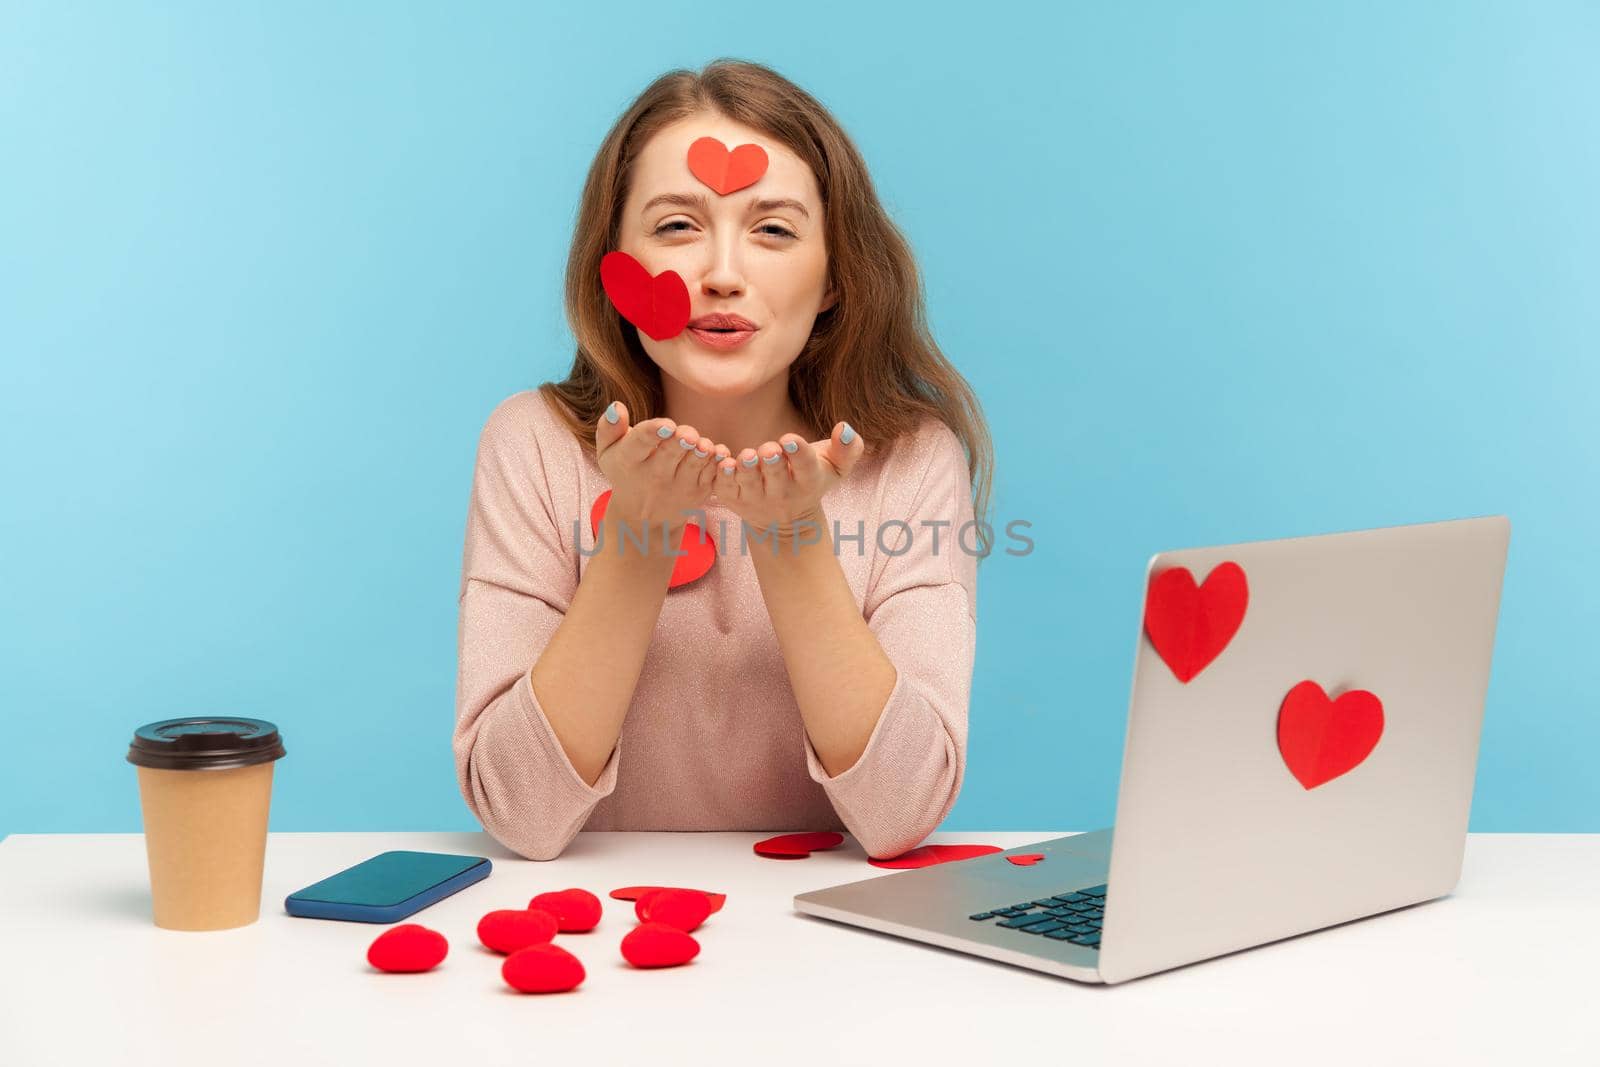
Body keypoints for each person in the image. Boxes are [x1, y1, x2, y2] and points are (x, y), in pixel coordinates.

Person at [453, 58, 993, 861]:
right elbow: (520, 813)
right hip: (612, 940)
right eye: (677, 226)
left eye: (773, 230)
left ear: (835, 275)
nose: (722, 275)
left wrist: (790, 534)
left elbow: (900, 812)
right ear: (614, 265)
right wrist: (641, 527)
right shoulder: (532, 444)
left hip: (823, 945)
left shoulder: (910, 463)